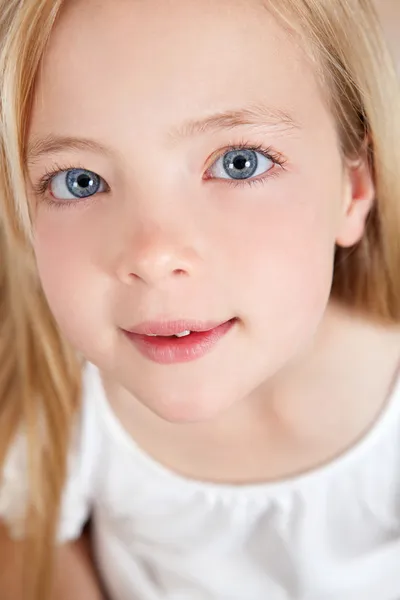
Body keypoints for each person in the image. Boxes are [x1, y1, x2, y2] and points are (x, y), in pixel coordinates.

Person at [0, 0, 399, 598]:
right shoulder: (59, 409)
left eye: (239, 164)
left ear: (353, 188)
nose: (153, 254)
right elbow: (31, 545)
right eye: (79, 180)